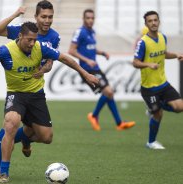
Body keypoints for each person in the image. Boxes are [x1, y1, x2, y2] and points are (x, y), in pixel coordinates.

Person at [0, 22, 99, 183]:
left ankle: (24, 138)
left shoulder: (40, 47)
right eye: (29, 40)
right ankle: (4, 172)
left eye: (34, 39)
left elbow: (64, 58)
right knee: (11, 123)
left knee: (46, 137)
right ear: (20, 36)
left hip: (36, 96)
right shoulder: (5, 51)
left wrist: (85, 74)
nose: (32, 43)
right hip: (16, 95)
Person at [0, 0, 61, 181]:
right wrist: (15, 14)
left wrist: (44, 69)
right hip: (17, 89)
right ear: (36, 17)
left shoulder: (54, 37)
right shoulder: (22, 31)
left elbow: (50, 63)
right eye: (43, 16)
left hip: (36, 91)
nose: (47, 20)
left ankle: (23, 139)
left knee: (42, 135)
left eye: (50, 17)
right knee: (11, 124)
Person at [68, 9, 135, 131]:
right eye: (88, 18)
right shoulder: (79, 32)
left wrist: (102, 53)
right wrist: (87, 60)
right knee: (108, 92)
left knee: (109, 94)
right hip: (87, 70)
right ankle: (94, 116)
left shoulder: (92, 32)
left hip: (96, 68)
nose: (90, 20)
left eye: (92, 18)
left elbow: (91, 49)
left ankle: (119, 123)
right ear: (83, 19)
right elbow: (71, 51)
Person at [133, 10, 183, 149]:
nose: (153, 23)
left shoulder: (163, 37)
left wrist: (176, 55)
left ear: (159, 22)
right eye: (150, 21)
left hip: (163, 83)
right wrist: (148, 64)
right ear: (146, 24)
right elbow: (135, 62)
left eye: (155, 20)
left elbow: (164, 54)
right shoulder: (143, 42)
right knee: (158, 115)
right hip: (149, 88)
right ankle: (151, 142)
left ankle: (154, 108)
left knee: (179, 107)